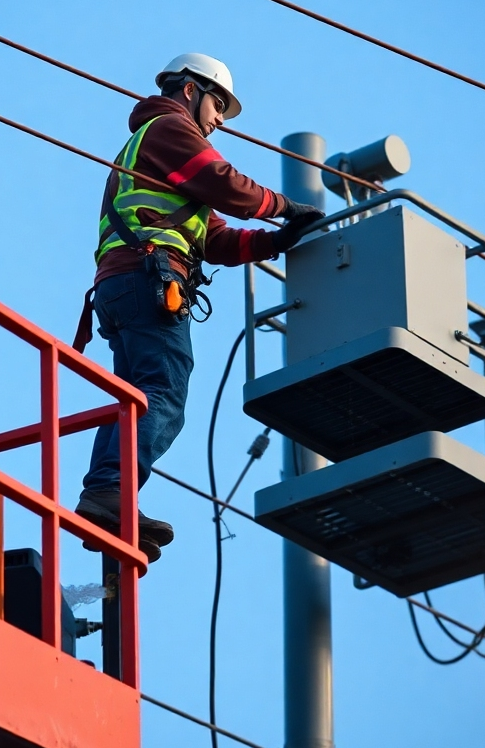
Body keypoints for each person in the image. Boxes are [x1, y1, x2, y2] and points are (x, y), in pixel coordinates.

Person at [73, 53, 324, 562]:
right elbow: (227, 184)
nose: (218, 122)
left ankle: (110, 496)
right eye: (217, 107)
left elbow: (216, 241)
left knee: (137, 398)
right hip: (147, 281)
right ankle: (107, 490)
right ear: (190, 90)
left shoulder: (163, 153)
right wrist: (284, 206)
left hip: (125, 288)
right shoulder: (170, 129)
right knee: (161, 392)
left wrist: (275, 243)